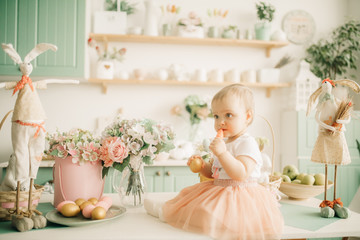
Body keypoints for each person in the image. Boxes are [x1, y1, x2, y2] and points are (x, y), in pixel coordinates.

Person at [161, 84, 284, 240]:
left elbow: (241, 173)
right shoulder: (223, 142)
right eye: (216, 116)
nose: (221, 122)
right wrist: (202, 166)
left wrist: (223, 153)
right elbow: (215, 173)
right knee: (201, 214)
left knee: (232, 228)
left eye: (229, 115)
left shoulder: (247, 143)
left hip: (241, 196)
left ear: (247, 116)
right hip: (220, 189)